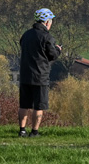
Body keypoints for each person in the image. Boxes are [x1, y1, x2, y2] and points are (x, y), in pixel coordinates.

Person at [18, 8, 61, 138]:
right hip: (40, 76)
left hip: (25, 75)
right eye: (51, 21)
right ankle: (34, 132)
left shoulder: (26, 34)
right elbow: (52, 55)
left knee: (24, 104)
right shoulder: (47, 37)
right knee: (39, 105)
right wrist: (58, 50)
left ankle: (22, 130)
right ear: (47, 22)